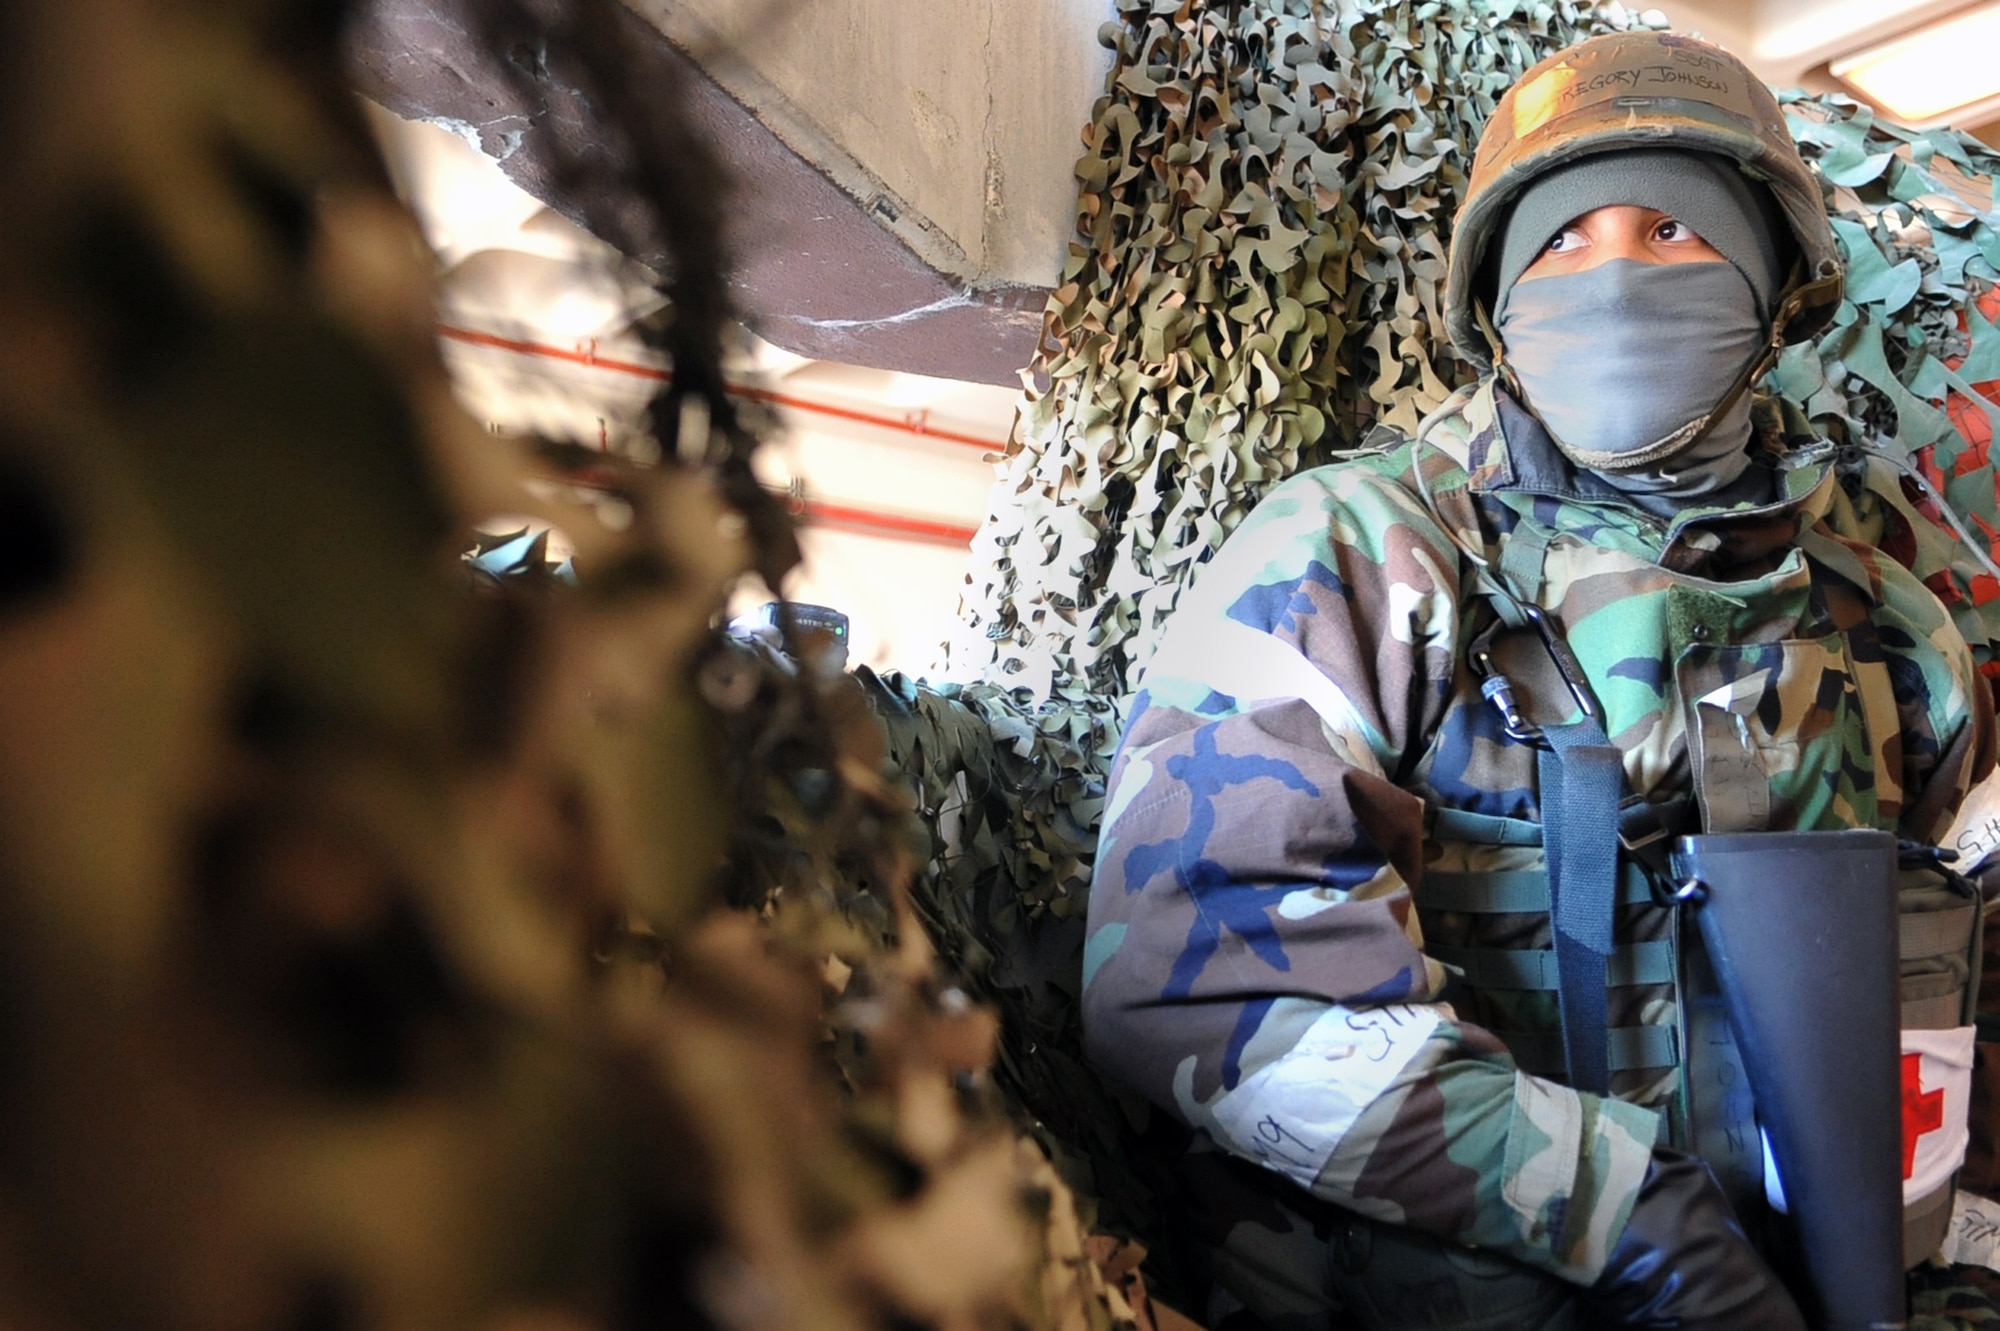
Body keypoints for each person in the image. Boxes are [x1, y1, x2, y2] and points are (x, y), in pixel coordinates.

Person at [1081, 28, 1998, 1331]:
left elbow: (1964, 992)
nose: (1614, 274)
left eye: (1674, 230)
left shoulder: (1888, 630)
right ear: (1495, 308)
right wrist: (1631, 1217)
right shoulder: (1355, 557)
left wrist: (1955, 1266)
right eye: (1561, 240)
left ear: (1776, 282)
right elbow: (1190, 985)